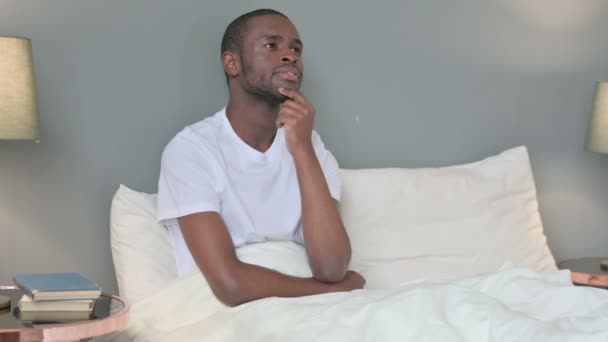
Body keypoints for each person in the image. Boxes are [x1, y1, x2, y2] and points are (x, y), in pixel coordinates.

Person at [157, 8, 365, 307]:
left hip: (313, 304)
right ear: (232, 63)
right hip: (232, 309)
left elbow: (331, 267)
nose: (290, 55)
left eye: (296, 48)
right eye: (272, 45)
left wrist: (302, 150)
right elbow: (229, 284)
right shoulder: (191, 150)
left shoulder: (311, 145)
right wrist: (333, 292)